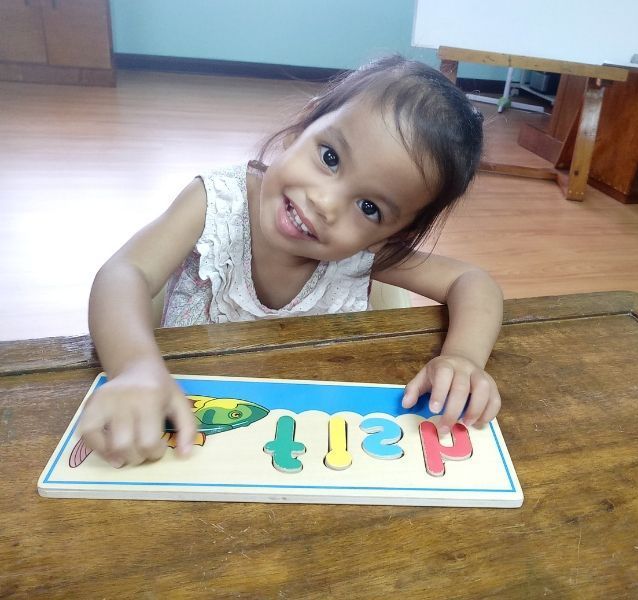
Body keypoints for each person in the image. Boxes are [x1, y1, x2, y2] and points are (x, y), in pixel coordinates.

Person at [80, 55, 504, 468]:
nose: (323, 202)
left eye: (369, 207)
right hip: (181, 425)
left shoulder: (363, 254)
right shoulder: (216, 203)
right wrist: (132, 368)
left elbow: (472, 280)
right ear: (304, 124)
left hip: (299, 442)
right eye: (330, 158)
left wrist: (463, 359)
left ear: (390, 236)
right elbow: (124, 272)